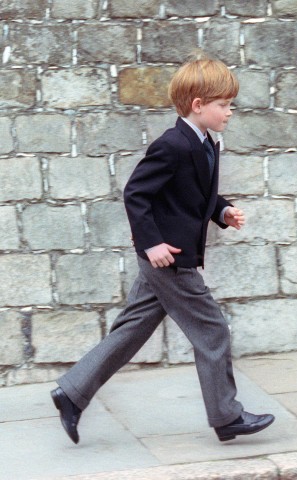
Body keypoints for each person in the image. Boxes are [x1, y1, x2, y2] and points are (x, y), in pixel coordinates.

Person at [51, 54, 275, 444]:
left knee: (131, 330)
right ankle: (227, 416)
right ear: (198, 105)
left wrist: (223, 211)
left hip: (169, 256)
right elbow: (136, 193)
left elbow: (195, 194)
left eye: (230, 105)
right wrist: (151, 243)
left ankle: (71, 392)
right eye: (224, 105)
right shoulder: (172, 144)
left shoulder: (205, 142)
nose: (230, 112)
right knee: (213, 330)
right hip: (169, 258)